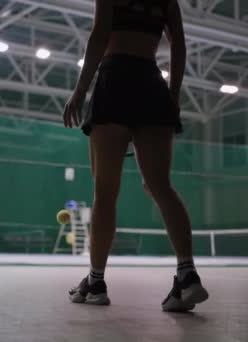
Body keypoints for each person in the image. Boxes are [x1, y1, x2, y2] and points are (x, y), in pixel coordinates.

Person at [62, 0, 209, 312]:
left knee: (105, 191)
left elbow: (99, 36)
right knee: (160, 185)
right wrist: (173, 93)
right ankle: (188, 274)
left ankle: (96, 281)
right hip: (151, 84)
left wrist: (80, 92)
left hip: (114, 79)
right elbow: (179, 44)